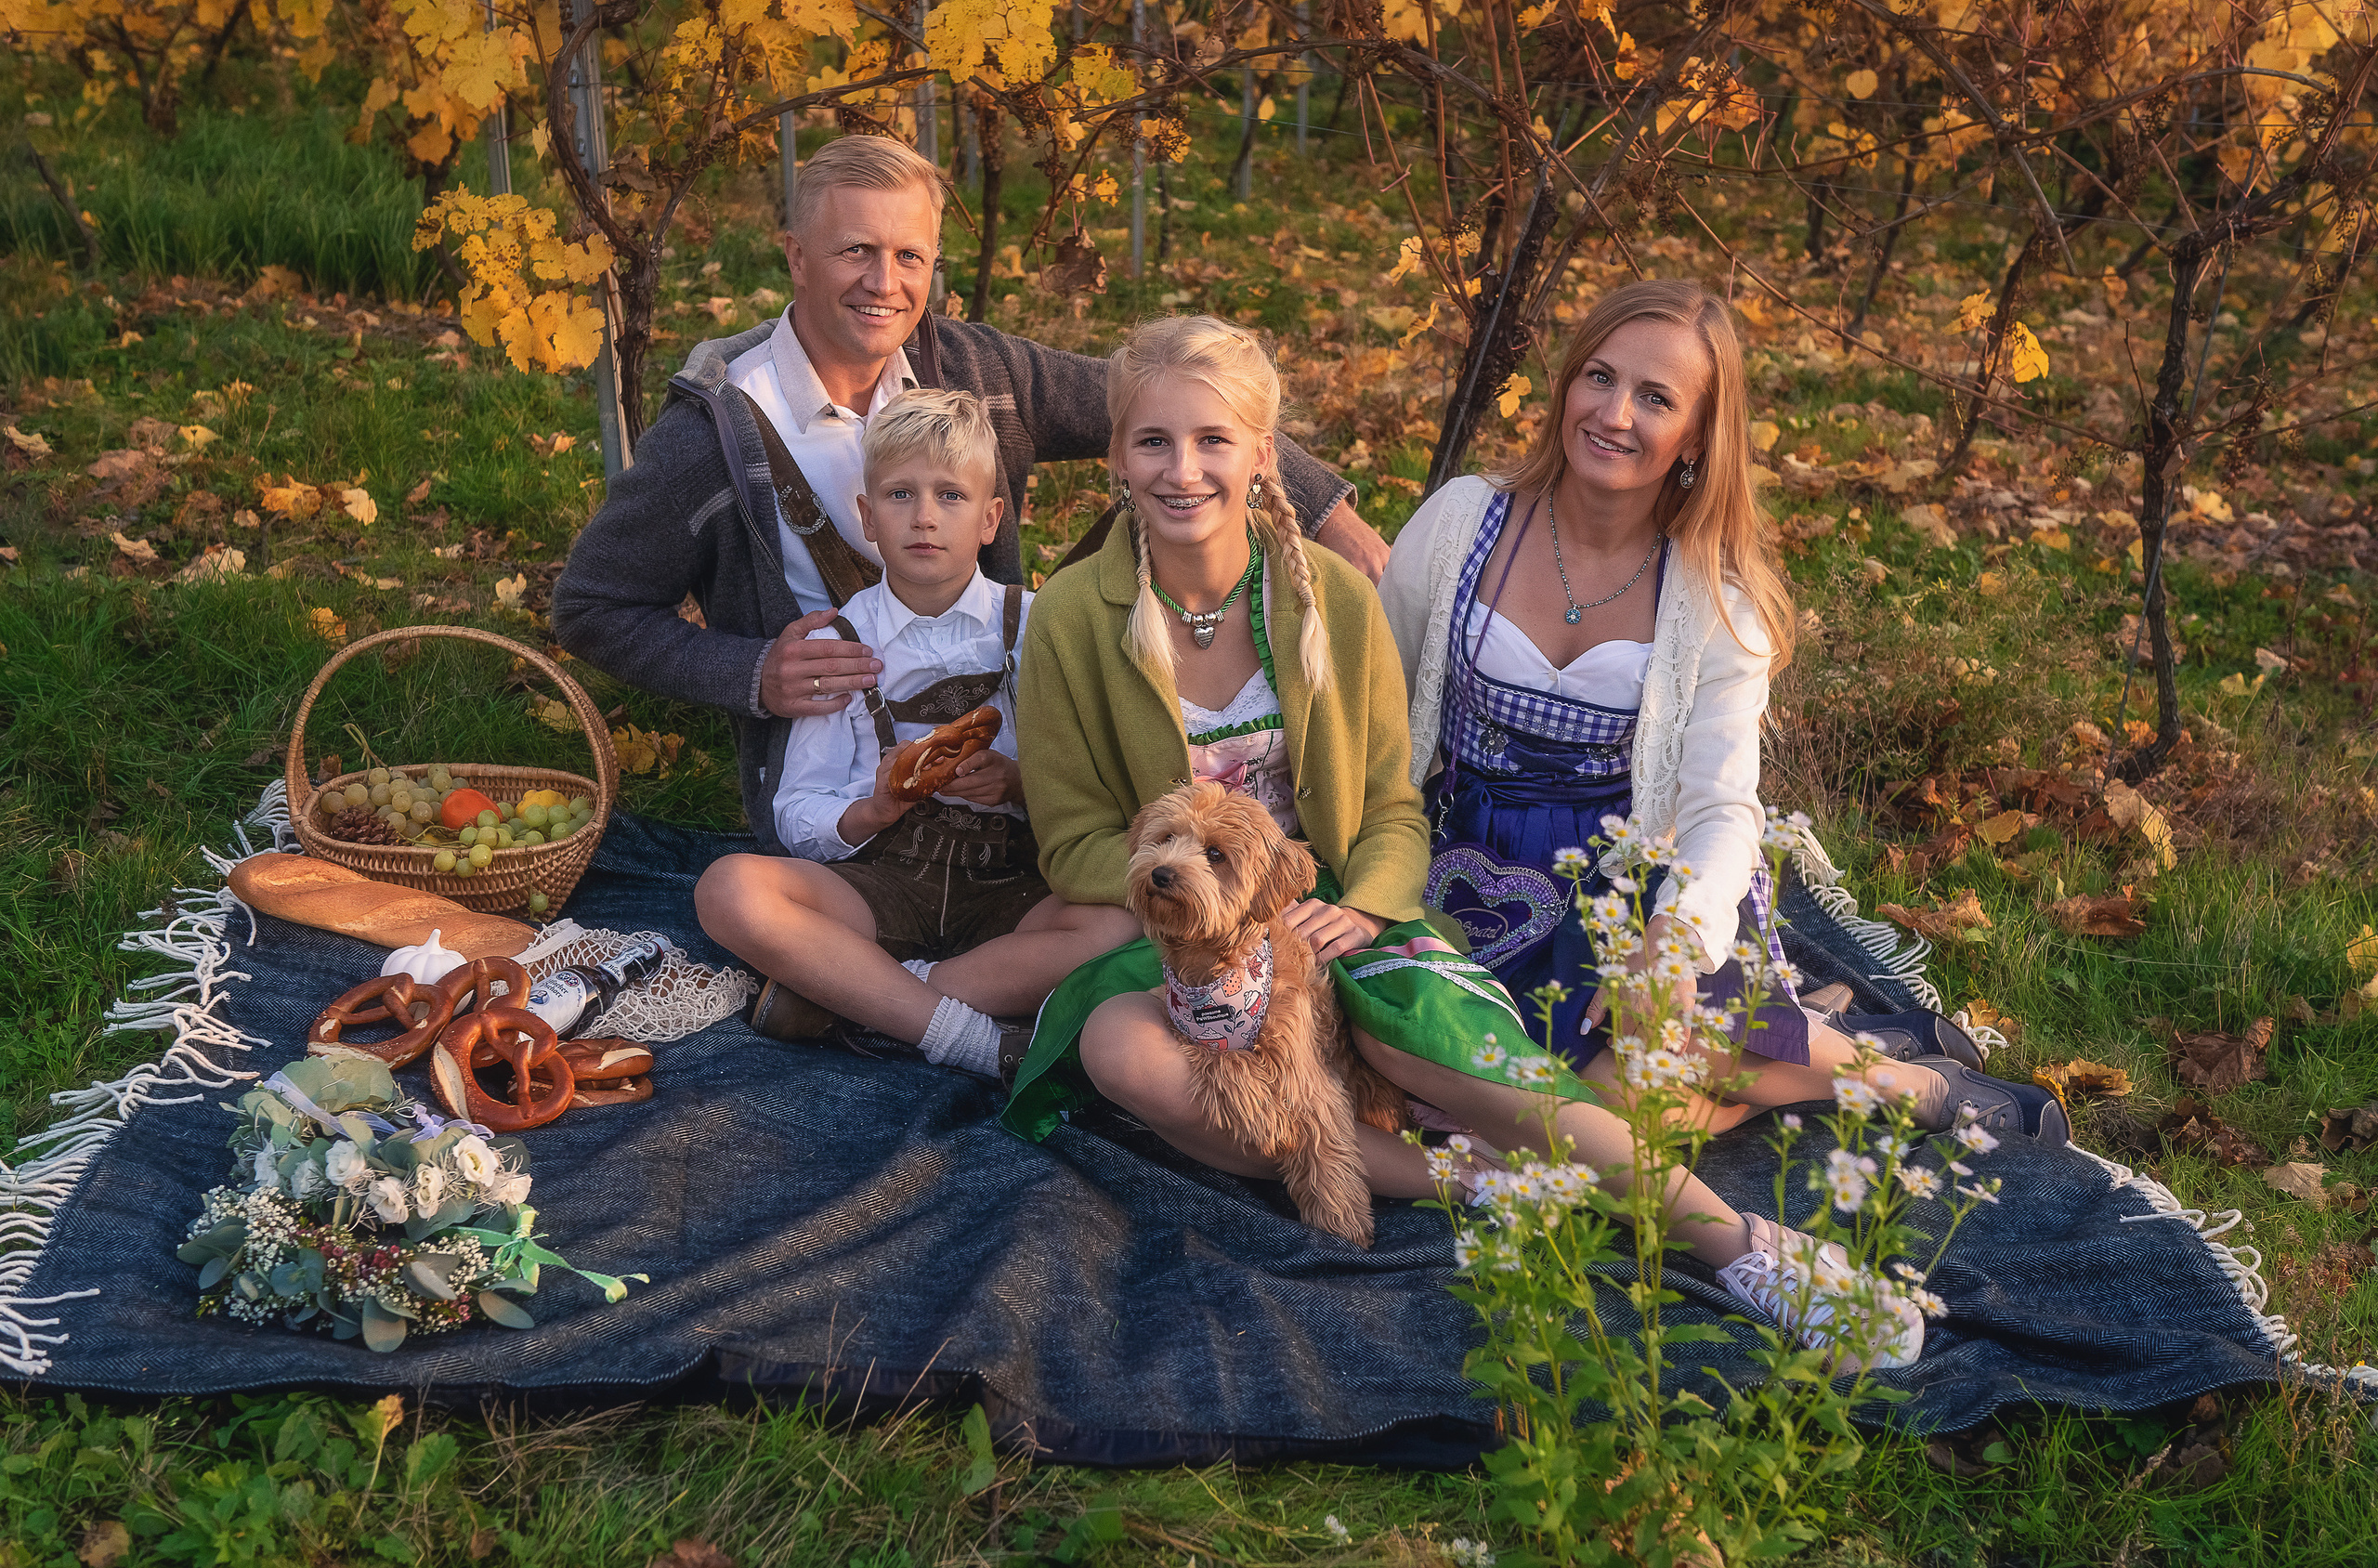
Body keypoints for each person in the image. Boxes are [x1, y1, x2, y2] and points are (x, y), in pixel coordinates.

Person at [996, 314, 1922, 1368]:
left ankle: (1735, 1242)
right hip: (1182, 922)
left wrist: (1370, 900)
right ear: (1114, 456)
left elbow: (1390, 797)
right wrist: (1185, 900)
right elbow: (1069, 833)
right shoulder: (1073, 614)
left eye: (1214, 441)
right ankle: (1471, 1179)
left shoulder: (1329, 599)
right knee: (1124, 1051)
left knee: (1414, 1039)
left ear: (1266, 457)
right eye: (1152, 442)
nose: (1182, 469)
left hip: (1337, 894)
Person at [1380, 279, 2073, 1355]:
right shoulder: (1462, 523)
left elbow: (1716, 810)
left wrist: (1676, 934)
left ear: (1699, 434)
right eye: (1599, 378)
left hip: (1632, 881)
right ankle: (1866, 1067)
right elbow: (1376, 722)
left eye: (1656, 397)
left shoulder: (1713, 595)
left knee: (1614, 1085)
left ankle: (1866, 1073)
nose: (1614, 413)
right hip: (1460, 867)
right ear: (1564, 387)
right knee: (1470, 1064)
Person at [550, 135, 1389, 857]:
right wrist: (754, 669)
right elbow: (592, 605)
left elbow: (1178, 401)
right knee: (745, 897)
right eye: (854, 252)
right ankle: (970, 1014)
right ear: (796, 256)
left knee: (1168, 504)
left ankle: (1203, 799)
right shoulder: (719, 432)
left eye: (909, 256)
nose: (885, 283)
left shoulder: (976, 371)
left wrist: (1327, 512)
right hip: (840, 788)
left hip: (1019, 753)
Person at [694, 389, 1137, 1076]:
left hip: (1011, 888)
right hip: (884, 883)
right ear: (867, 517)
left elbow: (1099, 783)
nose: (925, 518)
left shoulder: (1039, 624)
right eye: (900, 495)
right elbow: (795, 809)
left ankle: (864, 996)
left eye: (951, 497)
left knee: (1121, 925)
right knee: (728, 889)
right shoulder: (844, 641)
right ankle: (975, 1038)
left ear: (991, 519)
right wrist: (872, 809)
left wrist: (1019, 784)